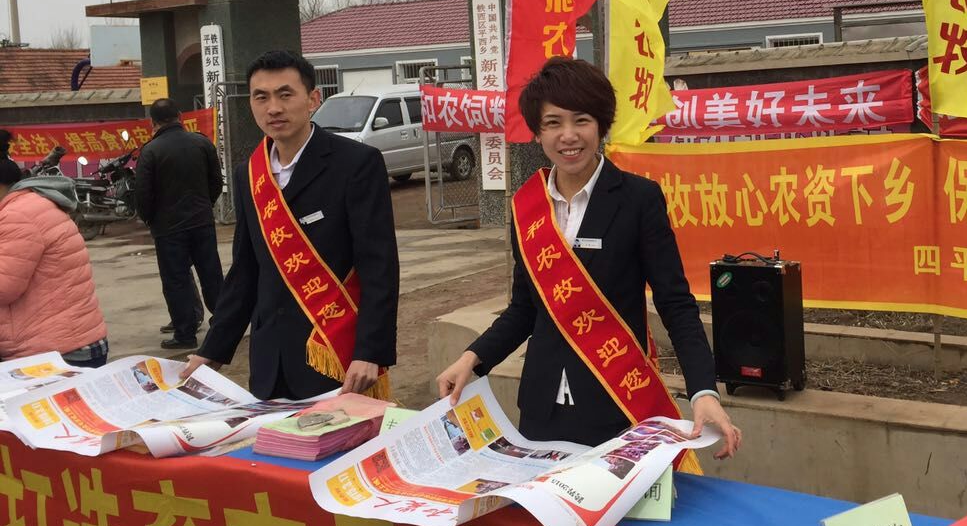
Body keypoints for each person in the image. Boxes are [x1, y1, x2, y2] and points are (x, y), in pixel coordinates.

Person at [436, 57, 742, 459]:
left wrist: (703, 391)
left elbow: (676, 304)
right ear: (538, 133)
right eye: (553, 123)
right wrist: (472, 359)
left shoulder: (638, 200)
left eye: (581, 120)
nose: (568, 136)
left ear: (600, 125)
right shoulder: (527, 207)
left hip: (616, 403)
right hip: (541, 408)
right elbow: (524, 309)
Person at [182, 49, 399, 400]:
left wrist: (370, 351)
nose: (274, 108)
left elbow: (379, 266)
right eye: (261, 97)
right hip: (269, 358)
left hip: (335, 352)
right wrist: (213, 349)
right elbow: (245, 270)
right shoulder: (248, 174)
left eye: (285, 95)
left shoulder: (356, 163)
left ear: (313, 99)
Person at [135, 97, 225, 350]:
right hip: (202, 222)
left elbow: (143, 194)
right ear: (180, 116)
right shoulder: (201, 143)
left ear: (152, 122)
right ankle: (224, 325)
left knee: (176, 280)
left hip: (168, 228)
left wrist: (150, 218)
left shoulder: (150, 151)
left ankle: (185, 334)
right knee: (211, 274)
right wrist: (205, 205)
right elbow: (216, 182)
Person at [0, 161, 110, 368]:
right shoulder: (34, 204)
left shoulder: (17, 215)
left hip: (56, 351)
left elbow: (5, 287)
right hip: (72, 339)